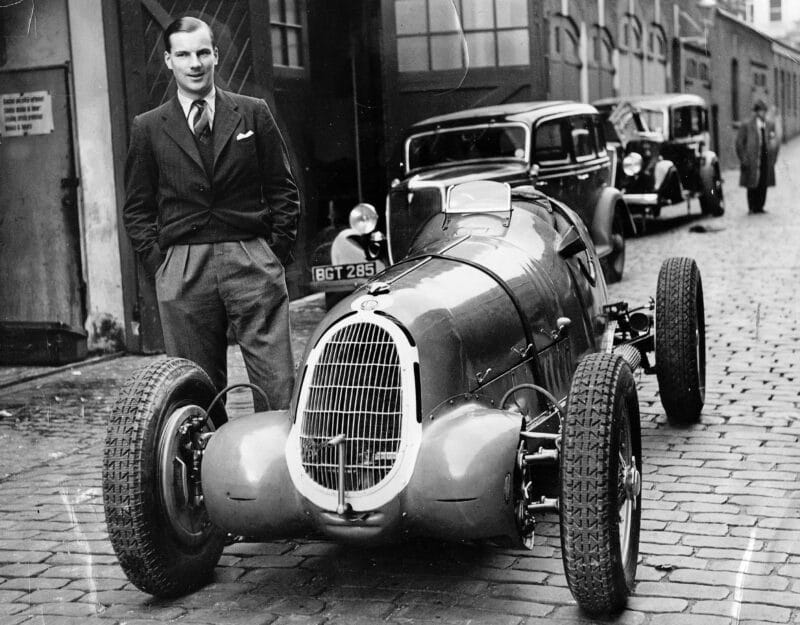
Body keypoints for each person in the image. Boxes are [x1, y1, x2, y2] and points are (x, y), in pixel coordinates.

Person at [123, 16, 300, 411]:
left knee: (278, 385)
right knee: (194, 388)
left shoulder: (252, 113)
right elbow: (137, 207)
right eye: (183, 54)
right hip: (184, 266)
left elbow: (283, 189)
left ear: (216, 55)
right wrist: (162, 265)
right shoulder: (149, 127)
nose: (195, 63)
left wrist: (274, 252)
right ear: (169, 60)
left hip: (251, 257)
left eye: (203, 52)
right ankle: (202, 469)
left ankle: (274, 468)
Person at [735, 98, 779, 214]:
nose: (763, 113)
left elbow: (773, 141)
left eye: (765, 111)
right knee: (752, 183)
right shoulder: (747, 125)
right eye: (761, 111)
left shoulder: (769, 125)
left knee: (763, 183)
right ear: (756, 112)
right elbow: (739, 143)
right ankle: (752, 206)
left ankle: (760, 206)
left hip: (765, 159)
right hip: (752, 159)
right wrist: (744, 158)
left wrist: (773, 157)